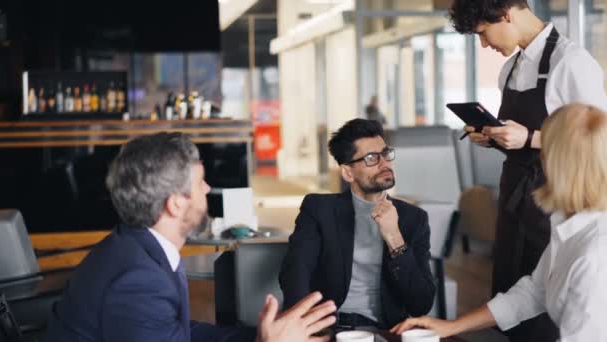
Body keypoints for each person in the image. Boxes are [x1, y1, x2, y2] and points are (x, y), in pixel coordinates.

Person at [45, 132, 336, 342]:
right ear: (175, 204)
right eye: (199, 183)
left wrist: (258, 334)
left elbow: (180, 332)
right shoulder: (138, 281)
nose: (208, 189)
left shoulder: (136, 245)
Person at [449, 0, 607, 340]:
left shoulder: (571, 62)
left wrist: (531, 137)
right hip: (514, 195)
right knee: (514, 291)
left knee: (550, 305)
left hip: (556, 196)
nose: (485, 44)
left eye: (483, 33)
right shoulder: (511, 69)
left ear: (507, 13)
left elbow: (598, 142)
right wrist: (493, 137)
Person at [391, 103, 607, 341]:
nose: (540, 160)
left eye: (546, 151)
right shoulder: (569, 222)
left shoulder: (595, 256)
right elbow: (534, 291)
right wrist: (451, 326)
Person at [279, 119, 435, 331]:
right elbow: (296, 270)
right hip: (330, 327)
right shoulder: (319, 209)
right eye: (371, 158)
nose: (384, 163)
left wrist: (395, 237)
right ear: (348, 173)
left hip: (384, 331)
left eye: (385, 153)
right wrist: (302, 326)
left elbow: (421, 304)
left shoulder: (413, 219)